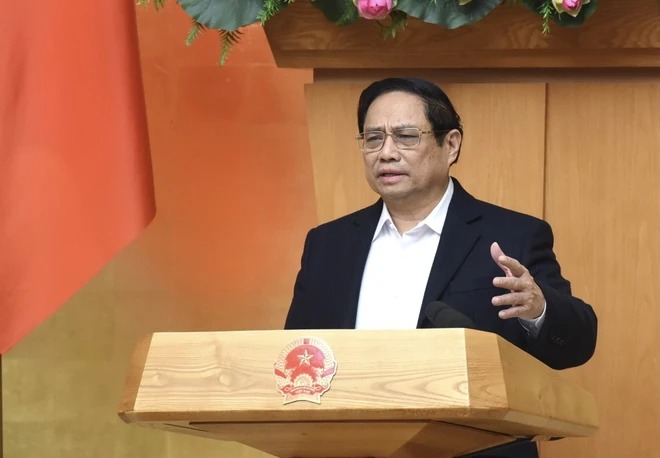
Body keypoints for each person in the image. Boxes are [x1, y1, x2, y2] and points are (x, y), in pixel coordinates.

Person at [284, 77, 597, 458]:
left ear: (450, 145)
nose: (386, 153)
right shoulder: (328, 245)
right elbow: (296, 355)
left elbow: (577, 344)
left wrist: (538, 309)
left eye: (406, 137)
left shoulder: (512, 235)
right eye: (373, 138)